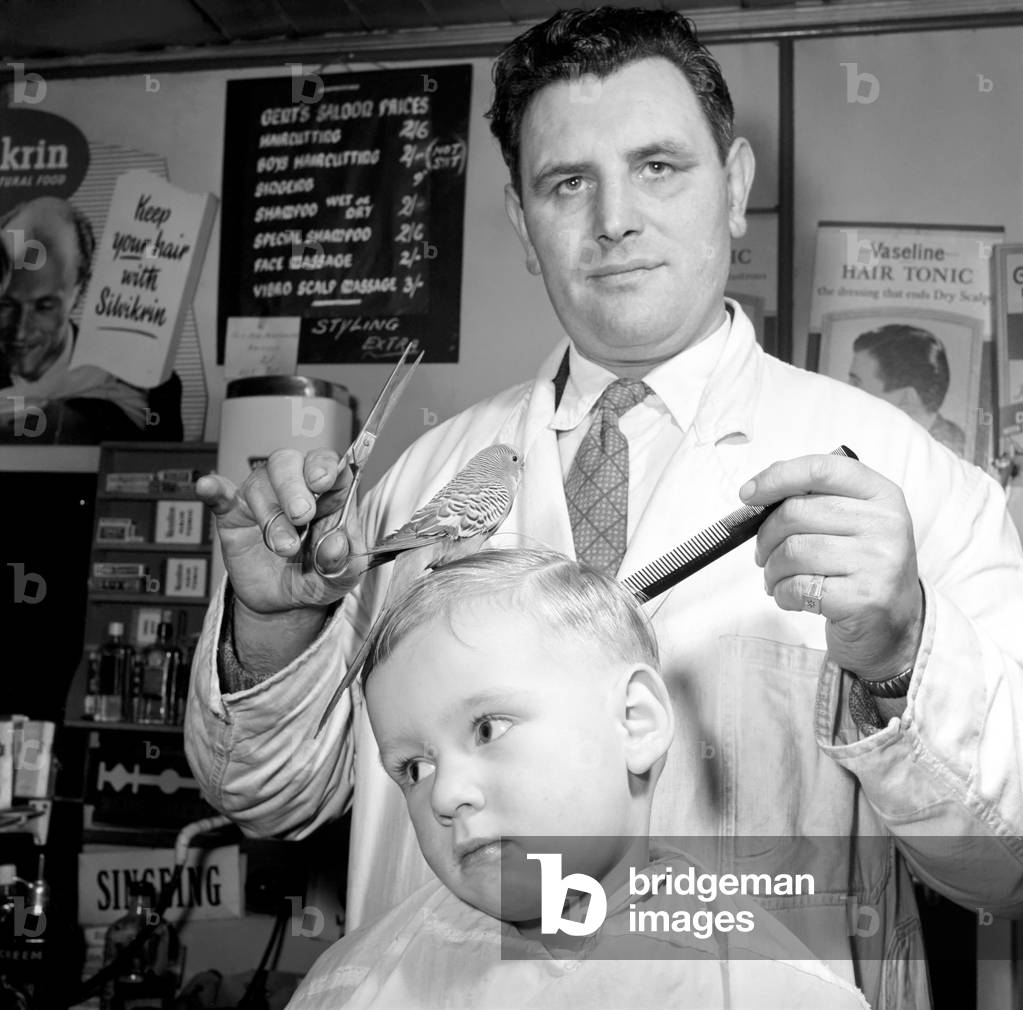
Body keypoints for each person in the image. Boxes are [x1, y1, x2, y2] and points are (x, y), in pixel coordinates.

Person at [186, 9, 1023, 1009]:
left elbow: (1003, 865)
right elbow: (268, 798)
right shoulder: (416, 485)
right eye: (567, 182)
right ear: (521, 218)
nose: (614, 217)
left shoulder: (905, 477)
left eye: (660, 165)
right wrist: (277, 629)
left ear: (737, 185)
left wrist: (901, 650)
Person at [286, 548, 869, 1010]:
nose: (443, 794)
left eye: (488, 728)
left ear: (635, 722)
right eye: (413, 768)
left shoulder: (776, 993)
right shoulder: (348, 987)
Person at [0, 196, 183, 444]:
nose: (20, 331)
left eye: (44, 307)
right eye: (6, 305)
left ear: (80, 288)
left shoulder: (149, 385)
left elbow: (158, 468)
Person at [849, 324, 967, 457]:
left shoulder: (955, 454)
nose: (845, 391)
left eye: (856, 383)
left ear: (907, 397)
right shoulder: (869, 438)